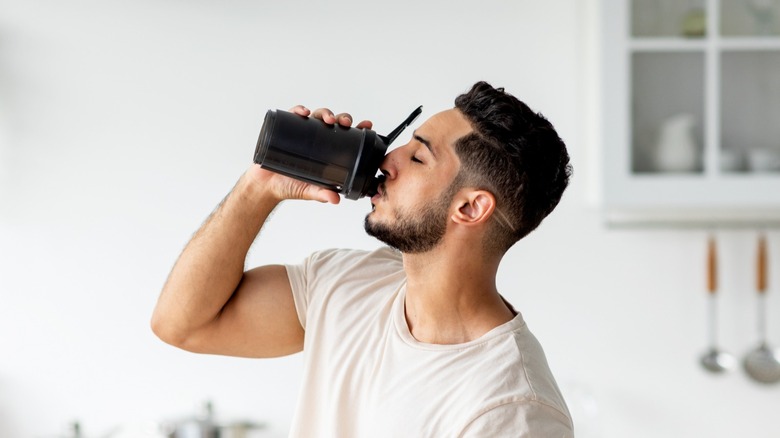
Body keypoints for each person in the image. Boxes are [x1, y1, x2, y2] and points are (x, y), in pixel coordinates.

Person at [151, 81, 574, 437]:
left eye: (418, 156)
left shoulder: (512, 409)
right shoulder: (348, 284)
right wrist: (259, 187)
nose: (388, 161)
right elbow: (183, 324)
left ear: (468, 208)